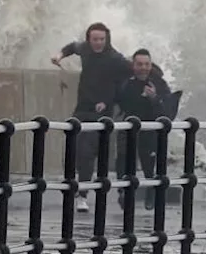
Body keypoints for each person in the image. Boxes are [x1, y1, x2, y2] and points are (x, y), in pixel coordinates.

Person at [51, 22, 133, 213]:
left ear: (107, 39)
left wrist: (109, 101)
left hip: (101, 112)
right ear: (89, 39)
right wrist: (59, 56)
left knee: (89, 152)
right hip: (82, 107)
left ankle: (83, 195)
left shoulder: (115, 59)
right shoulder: (86, 50)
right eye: (95, 39)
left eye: (102, 39)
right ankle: (76, 187)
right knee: (76, 149)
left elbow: (129, 77)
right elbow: (72, 47)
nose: (98, 43)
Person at [115, 48, 172, 210]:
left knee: (149, 165)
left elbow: (166, 110)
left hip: (151, 127)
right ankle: (123, 191)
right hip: (129, 125)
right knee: (124, 160)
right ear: (133, 65)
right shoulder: (126, 81)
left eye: (146, 64)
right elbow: (117, 99)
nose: (143, 68)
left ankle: (151, 193)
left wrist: (154, 98)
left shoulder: (158, 82)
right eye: (139, 64)